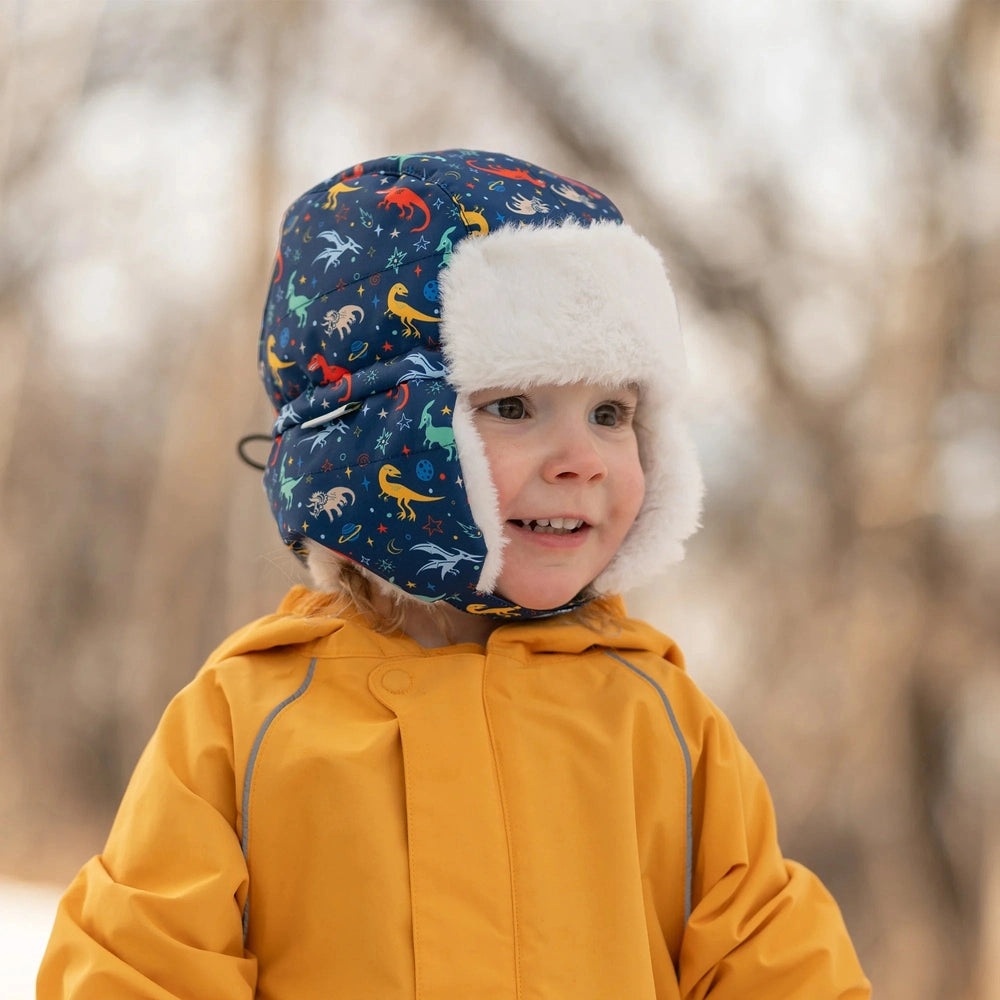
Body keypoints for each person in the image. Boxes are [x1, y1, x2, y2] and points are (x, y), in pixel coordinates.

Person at [38, 149, 871, 998]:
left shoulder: (662, 728)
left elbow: (775, 961)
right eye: (512, 406)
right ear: (377, 433)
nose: (582, 459)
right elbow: (136, 969)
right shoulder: (246, 724)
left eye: (612, 413)